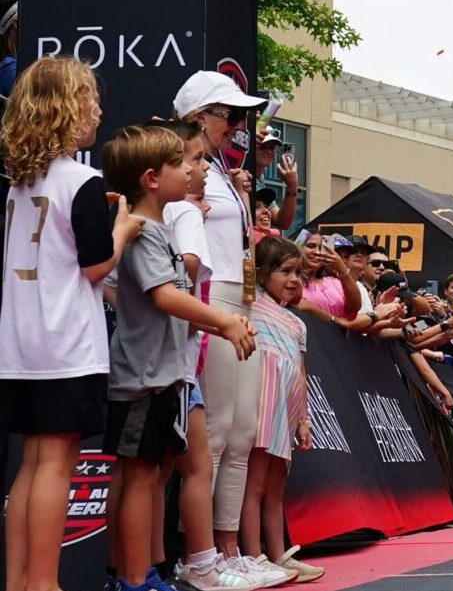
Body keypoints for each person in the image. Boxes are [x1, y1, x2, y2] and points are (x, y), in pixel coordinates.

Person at [0, 57, 141, 591]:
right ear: (67, 109)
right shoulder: (82, 179)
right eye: (90, 99)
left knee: (32, 464)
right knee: (55, 465)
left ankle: (21, 582)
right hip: (65, 345)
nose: (99, 109)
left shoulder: (21, 183)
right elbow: (95, 265)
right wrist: (122, 230)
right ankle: (44, 583)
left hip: (21, 346)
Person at [99, 125, 257, 591]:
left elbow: (176, 305)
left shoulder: (161, 230)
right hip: (142, 378)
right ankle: (132, 578)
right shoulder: (146, 234)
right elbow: (166, 297)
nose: (192, 170)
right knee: (139, 478)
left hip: (164, 376)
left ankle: (142, 572)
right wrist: (224, 322)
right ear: (152, 178)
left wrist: (221, 326)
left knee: (149, 478)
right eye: (180, 164)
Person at [155, 120, 260, 591]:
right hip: (165, 358)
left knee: (168, 465)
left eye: (199, 160)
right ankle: (190, 562)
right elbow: (175, 283)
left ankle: (160, 568)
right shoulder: (179, 216)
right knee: (186, 459)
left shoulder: (178, 210)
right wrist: (218, 321)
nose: (200, 168)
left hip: (180, 351)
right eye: (191, 161)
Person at [239, 236, 325, 583]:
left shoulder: (296, 323)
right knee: (254, 483)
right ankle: (253, 554)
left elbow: (300, 372)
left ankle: (279, 555)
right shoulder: (249, 306)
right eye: (284, 271)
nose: (294, 279)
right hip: (262, 402)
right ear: (260, 274)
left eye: (298, 272)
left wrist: (303, 419)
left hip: (286, 408)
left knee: (276, 484)